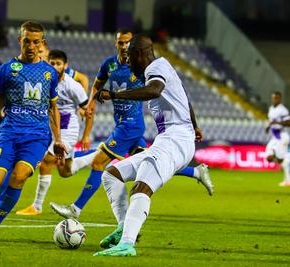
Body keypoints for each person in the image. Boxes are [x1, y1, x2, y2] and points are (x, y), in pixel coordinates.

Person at [50, 29, 212, 220]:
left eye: (128, 43)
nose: (124, 46)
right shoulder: (109, 64)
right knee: (148, 160)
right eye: (121, 43)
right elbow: (97, 84)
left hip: (130, 124)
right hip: (122, 122)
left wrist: (193, 124)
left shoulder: (142, 67)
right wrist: (91, 101)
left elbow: (166, 92)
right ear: (115, 43)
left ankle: (76, 209)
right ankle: (196, 171)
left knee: (98, 163)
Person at [93, 34, 204, 257]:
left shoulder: (154, 69)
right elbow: (185, 99)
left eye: (129, 57)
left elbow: (154, 90)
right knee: (111, 173)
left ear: (139, 54)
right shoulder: (163, 67)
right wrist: (196, 126)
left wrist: (115, 94)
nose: (128, 62)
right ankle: (125, 227)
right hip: (172, 137)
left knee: (141, 187)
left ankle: (126, 244)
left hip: (176, 138)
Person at [0, 21, 66, 241]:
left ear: (42, 43)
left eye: (36, 42)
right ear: (20, 40)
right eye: (27, 40)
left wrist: (58, 139)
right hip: (9, 131)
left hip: (36, 136)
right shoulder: (8, 68)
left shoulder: (49, 73)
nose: (31, 45)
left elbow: (53, 106)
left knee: (19, 177)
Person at [15, 49, 95, 215]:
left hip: (67, 129)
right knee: (65, 171)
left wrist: (86, 135)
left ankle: (36, 206)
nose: (55, 66)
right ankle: (97, 155)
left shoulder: (73, 86)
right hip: (50, 126)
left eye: (59, 63)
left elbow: (88, 111)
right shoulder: (43, 81)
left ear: (65, 66)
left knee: (46, 163)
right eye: (52, 63)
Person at [265, 91, 290, 187]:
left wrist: (278, 123)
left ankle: (288, 180)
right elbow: (271, 121)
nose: (275, 99)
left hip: (282, 136)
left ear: (280, 98)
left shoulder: (283, 110)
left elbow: (289, 123)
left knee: (280, 160)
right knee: (269, 158)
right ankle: (285, 160)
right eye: (274, 98)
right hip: (274, 137)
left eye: (277, 98)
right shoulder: (271, 109)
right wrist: (268, 126)